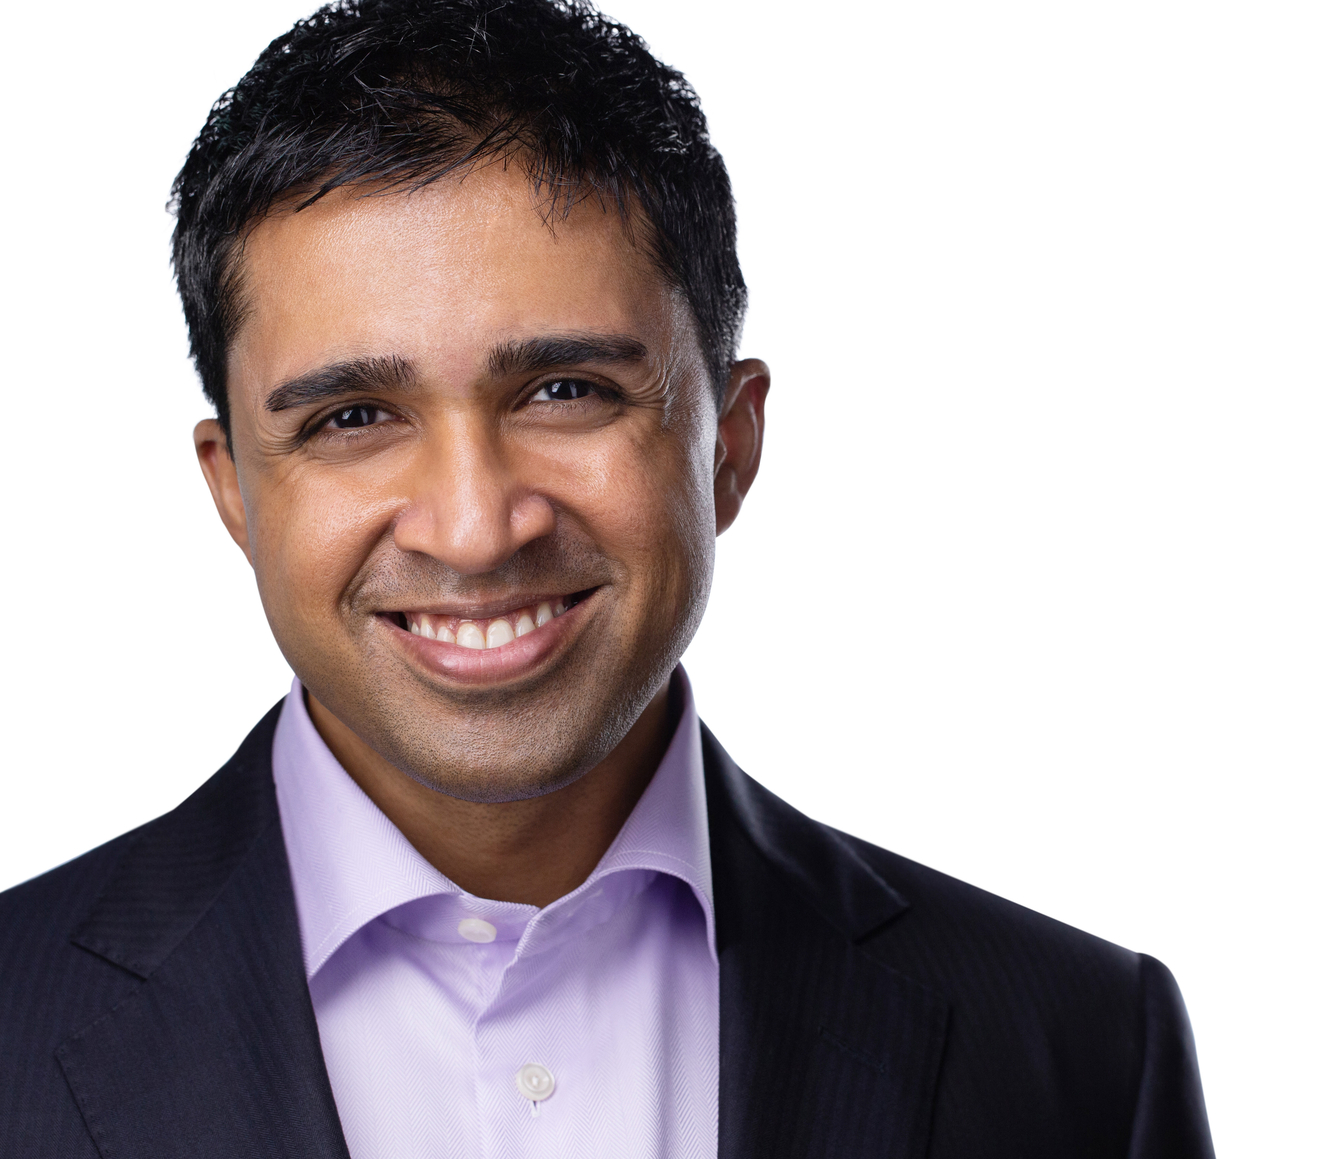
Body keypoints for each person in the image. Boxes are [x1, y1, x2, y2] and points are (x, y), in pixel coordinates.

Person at [0, 1, 1215, 1155]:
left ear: (729, 444)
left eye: (565, 391)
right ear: (235, 493)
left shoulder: (1079, 1054)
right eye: (354, 416)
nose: (475, 530)